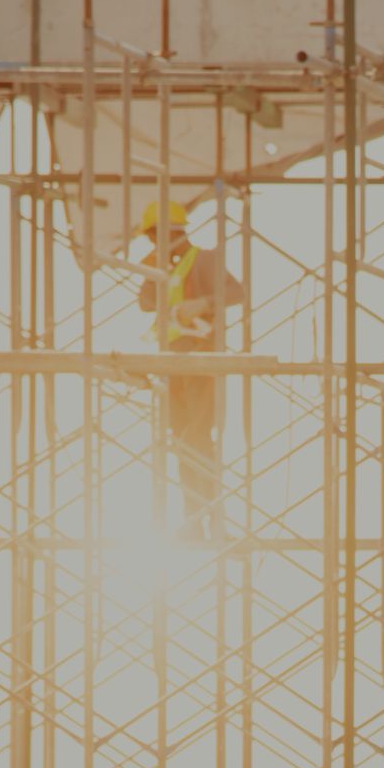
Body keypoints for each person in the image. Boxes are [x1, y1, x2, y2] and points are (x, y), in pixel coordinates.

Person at [135, 198, 242, 532]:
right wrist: (155, 270)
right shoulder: (159, 265)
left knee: (197, 436)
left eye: (156, 236)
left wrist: (204, 303)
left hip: (201, 357)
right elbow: (145, 302)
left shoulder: (204, 260)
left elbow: (236, 293)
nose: (154, 243)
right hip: (171, 364)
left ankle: (211, 514)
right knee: (182, 439)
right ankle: (193, 519)